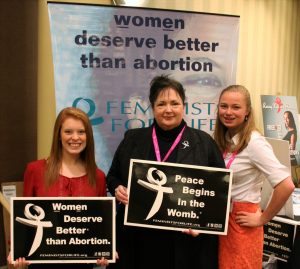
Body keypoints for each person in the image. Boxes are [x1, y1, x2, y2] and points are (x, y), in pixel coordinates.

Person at [106, 74, 225, 269]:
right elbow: (113, 176)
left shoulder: (204, 143)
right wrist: (117, 188)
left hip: (185, 243)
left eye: (174, 103)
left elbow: (220, 193)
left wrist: (203, 225)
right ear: (152, 107)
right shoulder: (133, 139)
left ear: (183, 106)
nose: (168, 110)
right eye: (161, 104)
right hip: (139, 240)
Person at [8, 107, 108, 269]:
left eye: (81, 132)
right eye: (68, 131)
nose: (75, 137)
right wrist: (17, 250)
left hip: (82, 265)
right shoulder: (35, 170)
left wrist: (104, 251)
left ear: (88, 136)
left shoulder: (98, 177)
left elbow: (101, 226)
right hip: (43, 264)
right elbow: (23, 220)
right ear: (59, 135)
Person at [213, 85, 295, 269]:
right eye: (223, 106)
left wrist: (262, 219)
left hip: (242, 221)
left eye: (236, 107)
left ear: (247, 111)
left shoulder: (254, 142)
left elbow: (286, 185)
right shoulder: (224, 137)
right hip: (222, 218)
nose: (228, 112)